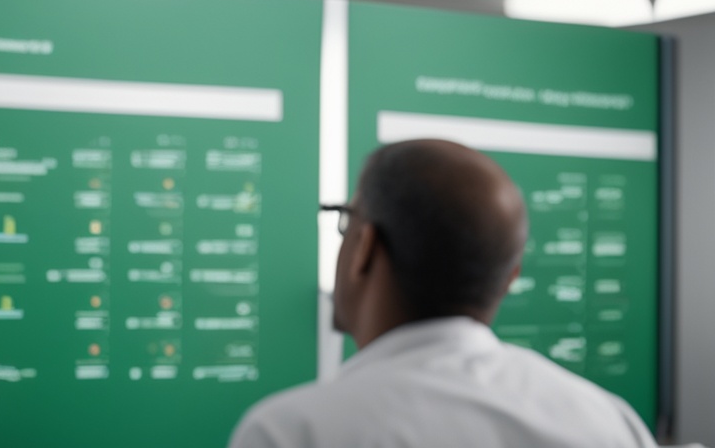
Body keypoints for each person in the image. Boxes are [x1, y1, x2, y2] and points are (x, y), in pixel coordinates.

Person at [228, 139, 657, 448]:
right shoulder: (610, 423)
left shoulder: (293, 432)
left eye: (346, 221)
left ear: (365, 248)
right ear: (510, 277)